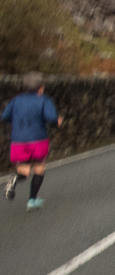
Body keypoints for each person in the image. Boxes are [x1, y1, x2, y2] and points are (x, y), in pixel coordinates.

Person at [3, 72, 62, 209]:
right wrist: (58, 121)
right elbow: (51, 117)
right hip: (38, 139)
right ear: (41, 87)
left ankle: (14, 179)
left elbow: (5, 116)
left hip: (18, 140)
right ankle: (32, 200)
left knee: (23, 171)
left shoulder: (16, 100)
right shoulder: (44, 100)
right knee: (39, 168)